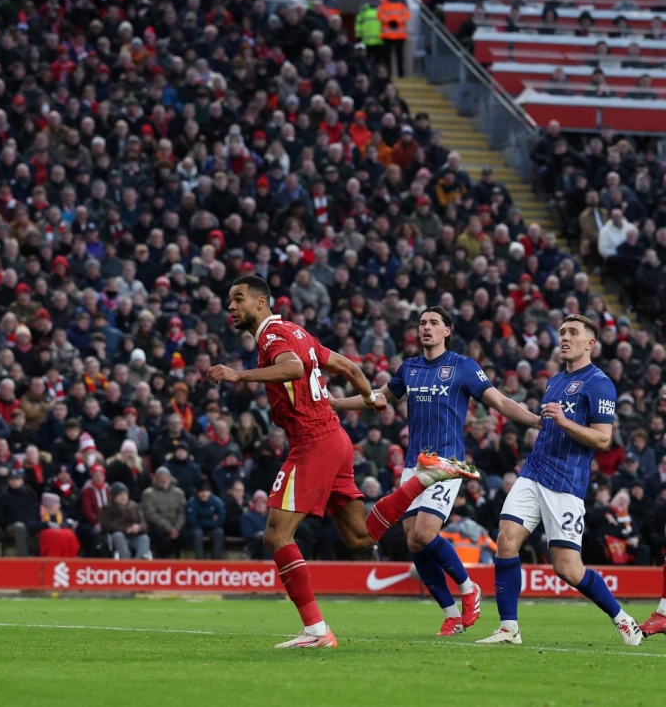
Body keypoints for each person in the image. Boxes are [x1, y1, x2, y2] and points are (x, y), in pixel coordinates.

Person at [207, 275, 474, 648]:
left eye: (238, 299)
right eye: (229, 300)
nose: (231, 306)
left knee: (275, 535)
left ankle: (316, 631)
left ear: (261, 303)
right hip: (336, 438)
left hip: (313, 441)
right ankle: (424, 480)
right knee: (360, 537)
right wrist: (369, 397)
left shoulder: (271, 336)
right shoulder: (298, 332)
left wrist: (239, 374)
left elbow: (293, 369)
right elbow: (349, 368)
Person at [331, 306, 542, 637]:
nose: (426, 328)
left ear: (447, 330)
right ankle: (451, 614)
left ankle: (469, 587)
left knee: (425, 533)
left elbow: (499, 402)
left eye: (433, 323)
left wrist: (535, 420)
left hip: (446, 464)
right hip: (414, 465)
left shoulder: (463, 366)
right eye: (422, 323)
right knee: (414, 543)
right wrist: (337, 404)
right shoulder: (410, 369)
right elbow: (377, 398)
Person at [478, 315, 643, 647]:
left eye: (573, 333)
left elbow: (602, 440)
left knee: (568, 569)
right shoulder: (554, 380)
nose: (564, 337)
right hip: (533, 473)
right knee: (506, 539)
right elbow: (545, 423)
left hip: (565, 484)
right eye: (563, 332)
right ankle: (509, 627)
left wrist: (565, 422)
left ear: (590, 343)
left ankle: (623, 619)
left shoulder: (600, 383)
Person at [142, 466, 187, 558]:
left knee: (187, 533)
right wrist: (169, 528)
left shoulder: (179, 493)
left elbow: (182, 512)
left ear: (170, 478)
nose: (163, 480)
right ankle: (164, 559)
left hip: (175, 524)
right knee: (159, 533)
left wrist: (176, 528)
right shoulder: (149, 493)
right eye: (160, 478)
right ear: (156, 479)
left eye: (165, 477)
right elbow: (151, 514)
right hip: (158, 525)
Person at [99, 482, 151, 559]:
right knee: (118, 536)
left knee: (144, 538)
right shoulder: (107, 508)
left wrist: (138, 527)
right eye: (120, 495)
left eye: (125, 494)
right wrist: (125, 529)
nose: (123, 497)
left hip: (134, 536)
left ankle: (139, 563)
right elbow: (106, 525)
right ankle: (126, 561)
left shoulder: (134, 506)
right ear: (114, 496)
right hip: (120, 536)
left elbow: (144, 523)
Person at [187, 479, 226, 560]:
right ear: (197, 492)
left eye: (206, 491)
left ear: (210, 492)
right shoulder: (192, 502)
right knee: (197, 533)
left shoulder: (217, 502)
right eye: (201, 491)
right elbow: (192, 521)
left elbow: (221, 520)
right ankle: (200, 561)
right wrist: (211, 520)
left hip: (212, 529)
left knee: (219, 532)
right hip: (197, 529)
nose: (204, 494)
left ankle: (216, 561)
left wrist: (202, 520)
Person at [241, 490, 271, 560]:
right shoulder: (247, 516)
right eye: (257, 502)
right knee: (265, 541)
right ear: (254, 503)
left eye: (263, 502)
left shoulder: (270, 517)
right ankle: (267, 566)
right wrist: (259, 534)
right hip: (255, 544)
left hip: (269, 542)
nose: (260, 504)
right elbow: (247, 534)